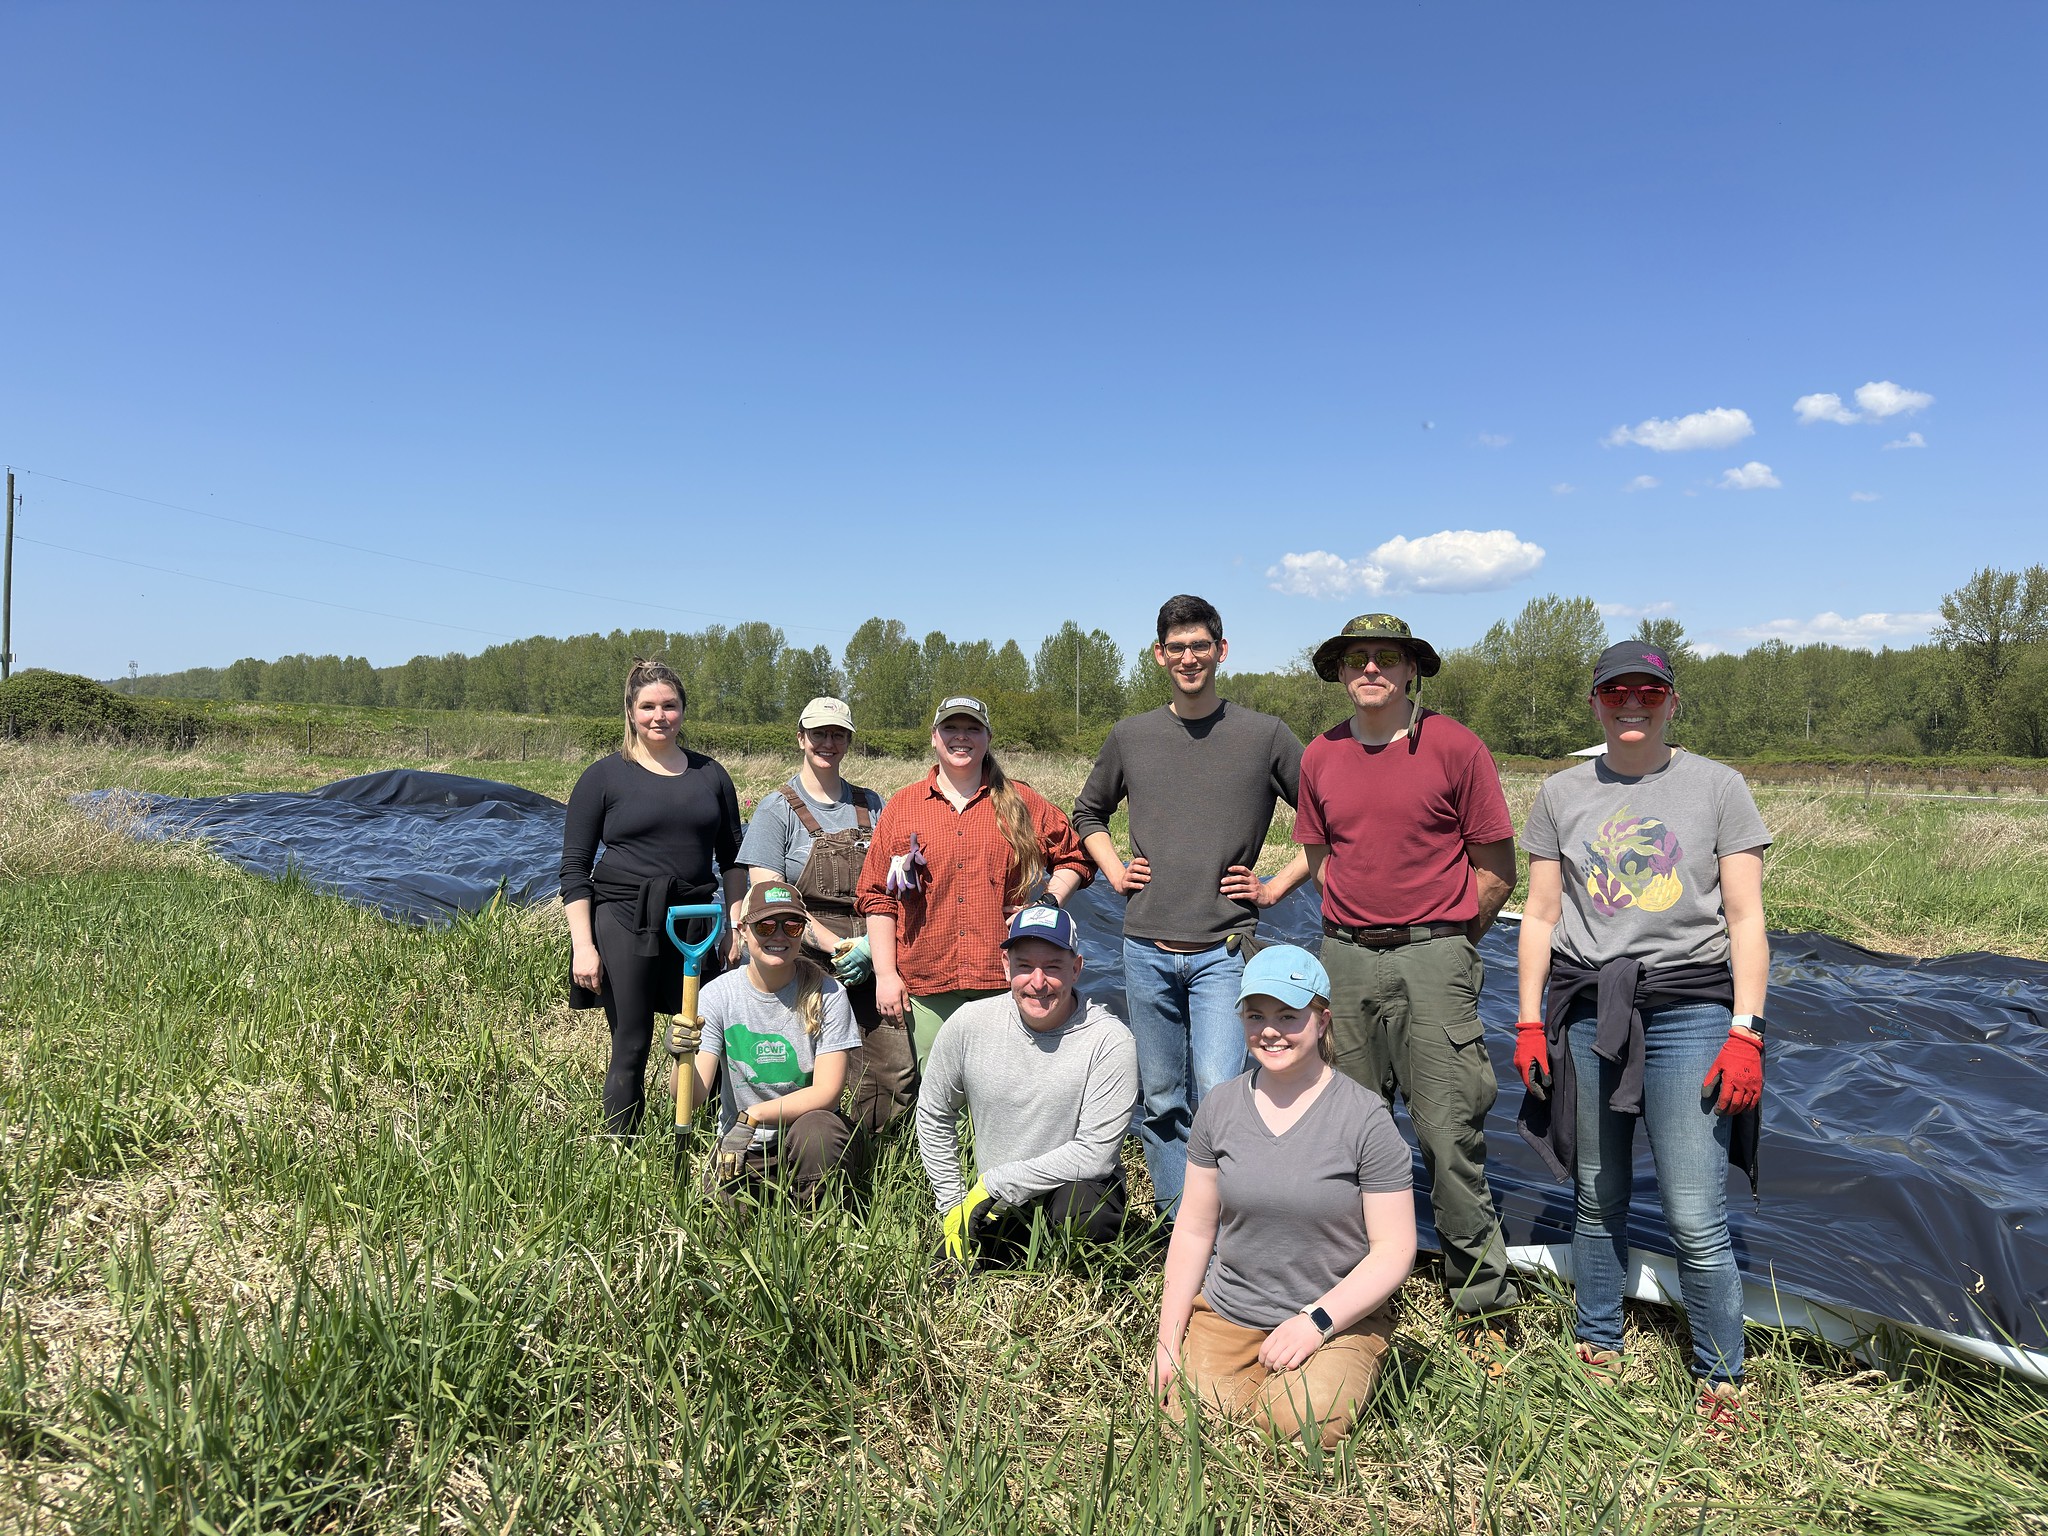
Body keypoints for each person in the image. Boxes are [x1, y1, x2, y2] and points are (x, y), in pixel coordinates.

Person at [1513, 639, 1771, 1429]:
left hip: (1691, 1004)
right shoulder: (1560, 793)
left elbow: (1746, 918)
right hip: (1592, 1006)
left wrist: (1746, 1032)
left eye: (1648, 691)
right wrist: (1527, 1019)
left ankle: (1721, 1375)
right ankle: (1599, 1341)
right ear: (1594, 701)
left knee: (1694, 1211)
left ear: (1672, 701)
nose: (1632, 703)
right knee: (1598, 1193)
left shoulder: (1718, 789)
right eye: (1615, 691)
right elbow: (1543, 914)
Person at [1293, 613, 1522, 1326]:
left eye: (1386, 658)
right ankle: (1353, 1293)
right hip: (1348, 957)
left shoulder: (1455, 748)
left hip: (1433, 956)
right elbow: (1320, 858)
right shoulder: (1319, 757)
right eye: (1356, 658)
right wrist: (1358, 926)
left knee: (1448, 1131)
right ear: (1338, 671)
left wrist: (1445, 940)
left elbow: (1496, 871)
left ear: (1411, 669)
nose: (1370, 669)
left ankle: (1482, 1303)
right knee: (1347, 1129)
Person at [1072, 594, 1311, 1219]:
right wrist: (1115, 869)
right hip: (1144, 946)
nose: (1188, 658)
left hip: (1225, 954)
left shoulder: (1264, 736)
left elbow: (1328, 820)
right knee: (1161, 1098)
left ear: (1221, 651)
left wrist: (1274, 887)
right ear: (1159, 656)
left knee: (1220, 1092)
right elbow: (1088, 812)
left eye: (1200, 646)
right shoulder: (1132, 736)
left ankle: (1229, 1223)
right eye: (1176, 648)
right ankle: (1182, 1226)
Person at [1151, 945, 1416, 1450]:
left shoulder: (1366, 1120)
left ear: (1321, 1020)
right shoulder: (1219, 1107)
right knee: (1180, 1413)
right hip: (1233, 1309)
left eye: (1288, 1015)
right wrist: (1168, 1340)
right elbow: (1193, 1229)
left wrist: (1316, 1323)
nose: (1270, 1030)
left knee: (1301, 1422)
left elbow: (1394, 1250)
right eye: (1256, 1015)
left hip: (1335, 1318)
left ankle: (1340, 1369)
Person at [857, 694, 1093, 1070]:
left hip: (1000, 979)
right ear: (934, 736)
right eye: (951, 727)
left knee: (1001, 1089)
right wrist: (885, 974)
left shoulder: (1020, 801)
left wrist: (1046, 904)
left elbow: (1076, 856)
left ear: (987, 737)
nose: (961, 737)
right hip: (927, 982)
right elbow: (877, 897)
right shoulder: (903, 807)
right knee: (939, 1093)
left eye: (972, 729)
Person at [562, 657, 746, 1135]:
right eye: (648, 706)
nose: (658, 716)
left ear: (683, 711)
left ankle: (708, 1140)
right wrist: (584, 947)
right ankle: (622, 1151)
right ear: (630, 711)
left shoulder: (712, 776)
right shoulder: (603, 777)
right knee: (632, 1038)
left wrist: (735, 926)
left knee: (705, 1038)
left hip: (697, 921)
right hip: (624, 916)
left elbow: (731, 861)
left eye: (669, 705)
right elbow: (575, 868)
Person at [915, 905, 1140, 1266]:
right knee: (947, 1269)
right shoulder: (970, 1024)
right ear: (1006, 966)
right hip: (995, 1203)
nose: (1038, 982)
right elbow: (933, 1113)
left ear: (1076, 969)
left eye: (1052, 966)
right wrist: (954, 1202)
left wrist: (995, 1183)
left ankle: (1074, 1282)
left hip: (1069, 1191)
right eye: (1024, 966)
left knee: (1085, 1214)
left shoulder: (1110, 1041)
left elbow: (1095, 1155)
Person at [735, 696, 914, 1137]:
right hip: (803, 956)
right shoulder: (776, 809)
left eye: (837, 734)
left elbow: (901, 882)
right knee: (805, 1067)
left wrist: (872, 949)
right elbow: (769, 899)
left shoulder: (873, 805)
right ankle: (797, 1152)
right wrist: (837, 947)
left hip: (874, 953)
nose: (827, 743)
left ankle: (870, 1158)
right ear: (801, 738)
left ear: (849, 740)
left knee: (894, 1071)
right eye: (819, 734)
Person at [679, 881, 857, 1199]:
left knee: (820, 1131)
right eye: (765, 925)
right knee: (723, 1233)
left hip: (803, 1138)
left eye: (791, 925)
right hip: (741, 1145)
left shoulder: (829, 994)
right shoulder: (717, 996)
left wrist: (754, 1115)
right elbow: (691, 1099)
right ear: (744, 931)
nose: (778, 935)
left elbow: (828, 1094)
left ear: (802, 931)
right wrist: (683, 1056)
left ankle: (814, 1223)